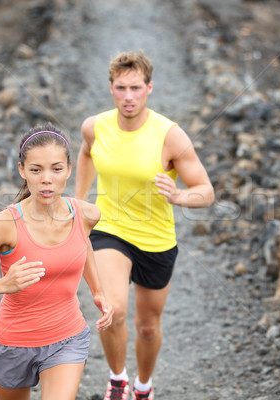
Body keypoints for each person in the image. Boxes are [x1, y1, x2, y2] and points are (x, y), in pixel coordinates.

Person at [75, 50, 215, 400]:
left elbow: (207, 191)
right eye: (121, 88)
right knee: (113, 309)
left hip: (156, 238)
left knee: (148, 327)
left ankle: (143, 386)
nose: (128, 97)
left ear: (149, 87)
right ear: (110, 88)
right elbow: (86, 152)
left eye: (135, 88)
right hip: (111, 230)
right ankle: (118, 380)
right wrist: (79, 201)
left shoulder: (170, 135)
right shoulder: (95, 126)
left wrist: (179, 197)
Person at [0, 123, 113, 400]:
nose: (46, 179)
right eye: (36, 170)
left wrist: (98, 291)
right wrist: (4, 284)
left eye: (56, 169)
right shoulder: (4, 224)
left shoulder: (86, 214)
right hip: (12, 343)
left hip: (67, 337)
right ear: (22, 171)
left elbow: (82, 244)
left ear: (69, 169)